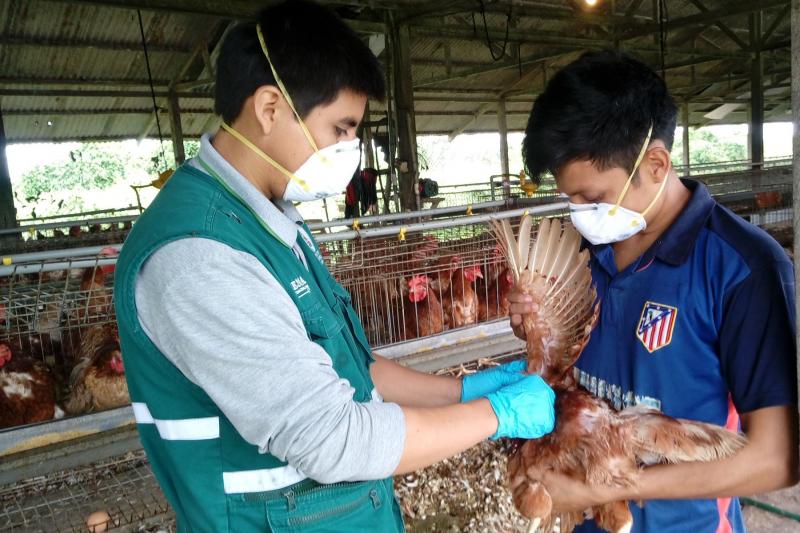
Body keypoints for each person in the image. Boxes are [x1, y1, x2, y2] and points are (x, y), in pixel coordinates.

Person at [113, 1, 555, 531]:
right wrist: (496, 415)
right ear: (271, 108)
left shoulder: (278, 223)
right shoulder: (200, 257)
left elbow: (354, 372)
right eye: (341, 128)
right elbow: (333, 439)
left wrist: (465, 390)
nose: (351, 148)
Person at [508, 49, 799, 532]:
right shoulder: (584, 251)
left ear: (657, 163)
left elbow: (777, 459)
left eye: (593, 198)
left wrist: (621, 485)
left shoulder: (741, 267)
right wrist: (538, 334)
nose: (579, 213)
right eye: (569, 198)